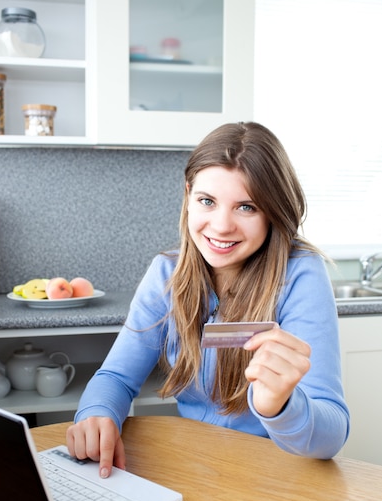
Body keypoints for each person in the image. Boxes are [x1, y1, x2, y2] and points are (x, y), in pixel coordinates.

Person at [67, 122, 349, 477]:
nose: (221, 226)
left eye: (246, 207)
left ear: (272, 213)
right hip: (195, 467)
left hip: (275, 477)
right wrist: (97, 414)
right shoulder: (165, 273)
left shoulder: (301, 275)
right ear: (188, 196)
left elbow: (332, 436)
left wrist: (280, 406)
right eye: (207, 201)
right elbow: (117, 378)